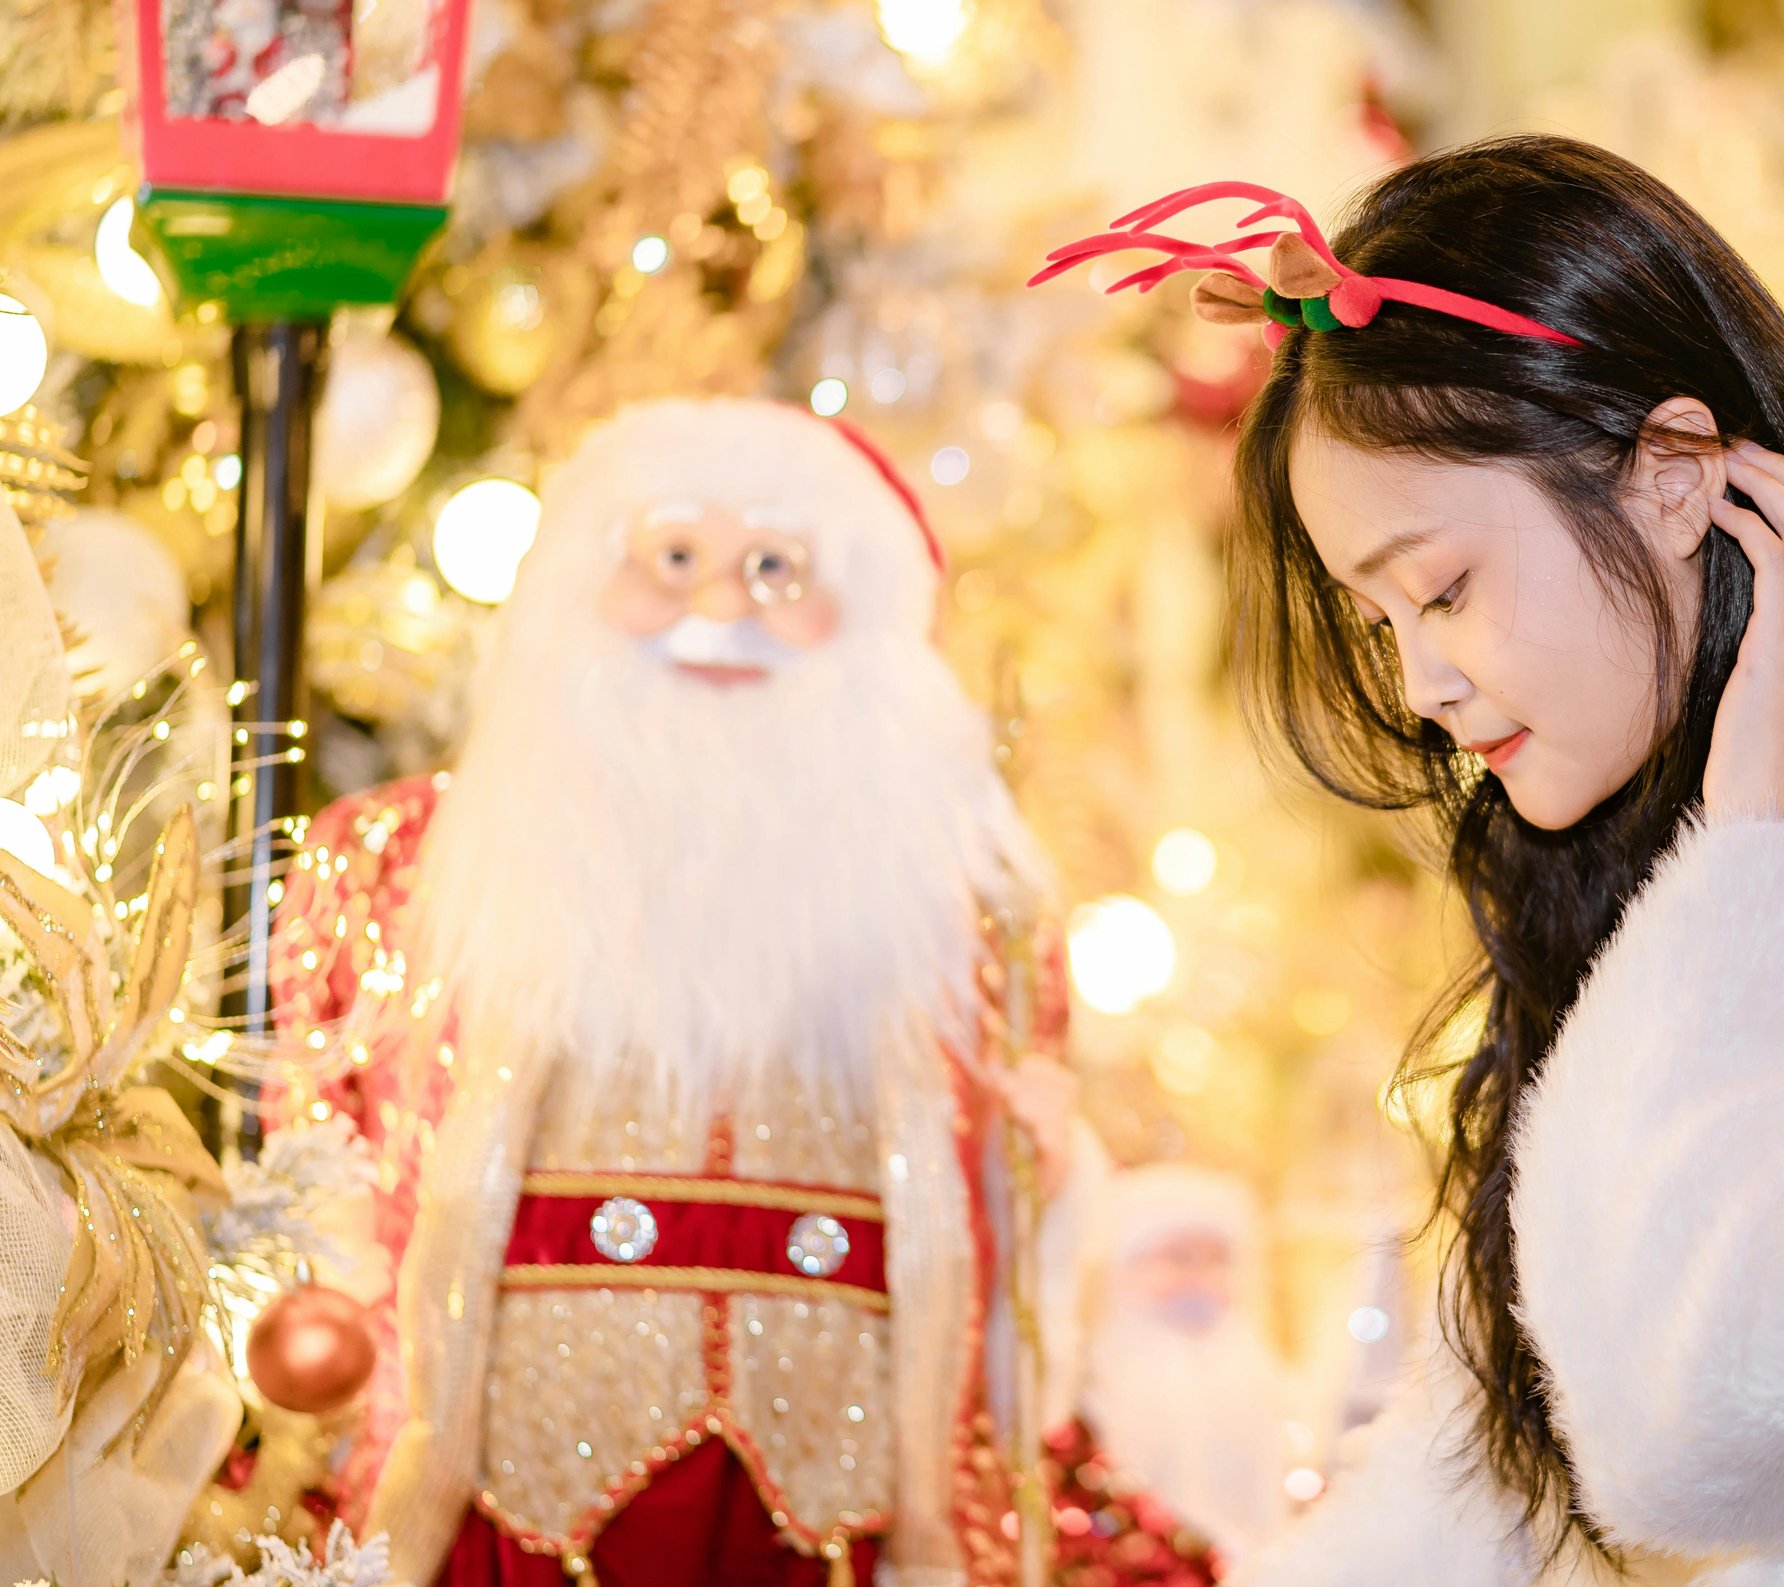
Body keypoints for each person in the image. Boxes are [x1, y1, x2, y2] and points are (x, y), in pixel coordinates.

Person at [1033, 138, 1784, 1583]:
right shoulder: (1655, 867)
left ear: (1677, 475)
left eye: (1443, 586)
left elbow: (1688, 1439)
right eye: (1382, 620)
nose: (1424, 679)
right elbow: (1477, 1479)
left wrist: (1752, 832)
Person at [270, 399, 1213, 1587]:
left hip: (840, 1480)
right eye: (672, 558)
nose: (719, 610)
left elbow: (1000, 1218)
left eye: (775, 567)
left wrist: (1049, 1172)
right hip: (510, 1474)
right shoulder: (417, 859)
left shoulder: (964, 914)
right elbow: (326, 1161)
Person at [1079, 1164, 1292, 1560]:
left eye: (1218, 1260)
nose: (1201, 1277)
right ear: (1126, 1268)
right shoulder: (1099, 1379)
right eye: (1178, 1258)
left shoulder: (1254, 1375)